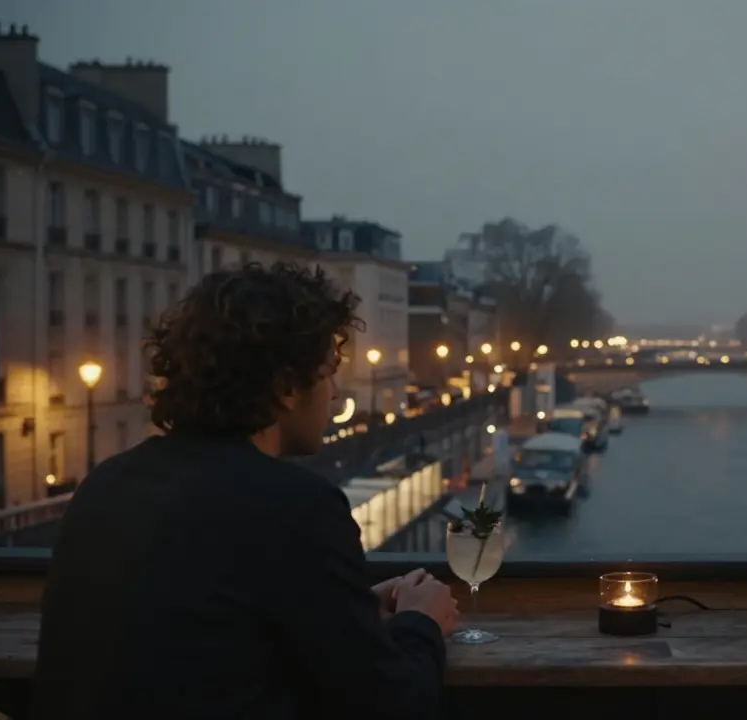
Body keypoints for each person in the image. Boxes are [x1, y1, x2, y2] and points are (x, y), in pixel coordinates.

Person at [32, 263, 459, 719]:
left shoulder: (106, 485)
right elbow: (392, 704)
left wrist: (353, 608)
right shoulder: (298, 506)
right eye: (327, 372)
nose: (334, 393)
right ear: (286, 387)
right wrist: (421, 623)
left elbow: (199, 630)